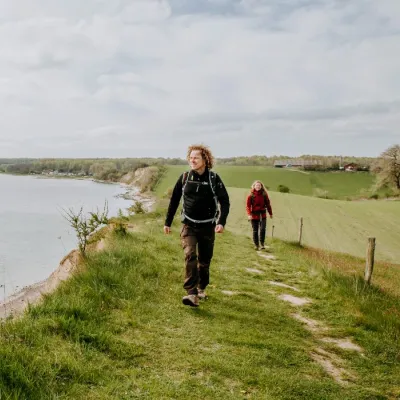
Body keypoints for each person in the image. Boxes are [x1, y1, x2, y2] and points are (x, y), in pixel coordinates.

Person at [164, 144, 230, 307]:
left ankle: (201, 287)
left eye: (196, 157)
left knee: (204, 261)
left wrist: (221, 222)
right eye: (190, 157)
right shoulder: (185, 177)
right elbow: (174, 200)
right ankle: (191, 292)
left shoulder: (214, 179)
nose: (192, 160)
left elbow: (225, 201)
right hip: (189, 225)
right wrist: (168, 222)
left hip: (208, 226)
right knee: (190, 255)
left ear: (205, 160)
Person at [246, 180, 273, 250]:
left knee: (262, 229)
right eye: (256, 185)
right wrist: (249, 214)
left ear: (261, 187)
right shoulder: (251, 195)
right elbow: (248, 206)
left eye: (259, 185)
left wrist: (270, 213)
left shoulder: (264, 194)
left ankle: (262, 243)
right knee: (255, 230)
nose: (258, 186)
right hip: (254, 215)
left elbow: (268, 204)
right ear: (254, 186)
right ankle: (256, 244)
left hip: (262, 215)